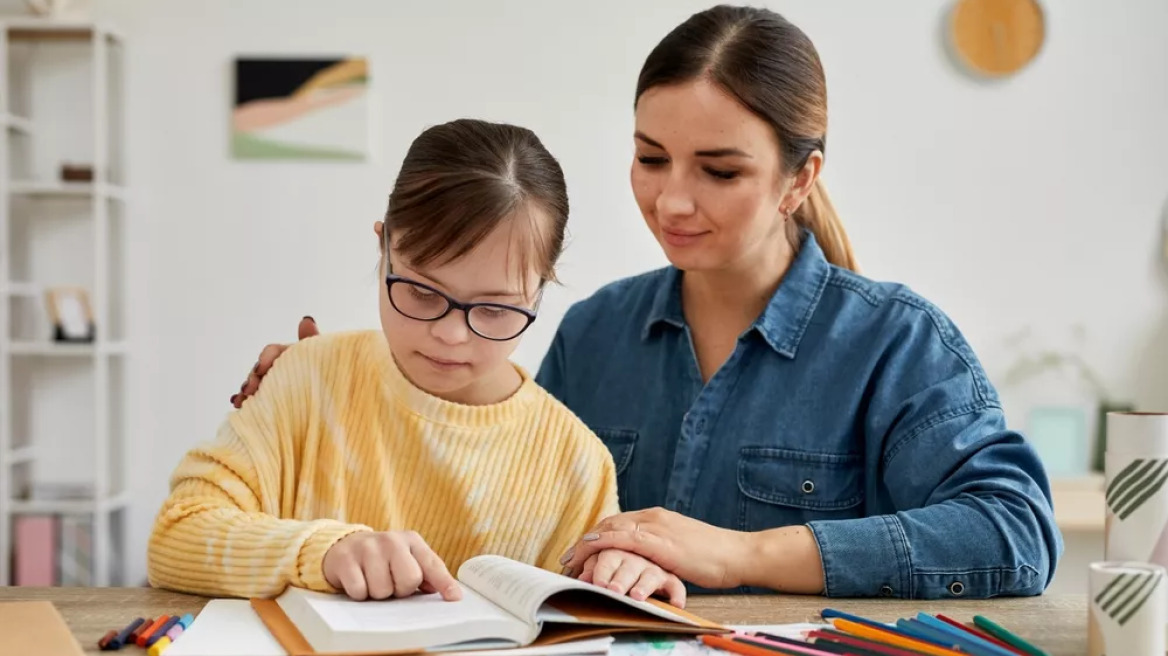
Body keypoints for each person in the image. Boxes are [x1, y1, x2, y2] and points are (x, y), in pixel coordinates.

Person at [235, 5, 1063, 600]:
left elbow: (1015, 534)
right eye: (650, 157)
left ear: (799, 179)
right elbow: (489, 480)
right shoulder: (596, 332)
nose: (671, 201)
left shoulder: (895, 344)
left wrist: (745, 555)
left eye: (719, 170)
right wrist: (335, 381)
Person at [149, 118, 686, 607]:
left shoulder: (575, 463)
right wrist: (324, 551)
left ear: (541, 289)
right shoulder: (306, 381)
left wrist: (626, 578)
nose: (450, 335)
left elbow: (578, 618)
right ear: (383, 248)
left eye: (495, 308)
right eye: (422, 292)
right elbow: (176, 537)